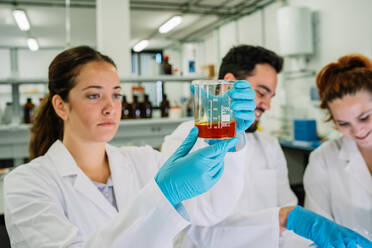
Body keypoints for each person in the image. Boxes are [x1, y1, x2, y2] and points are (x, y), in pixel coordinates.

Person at [3, 46, 257, 248]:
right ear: (61, 106)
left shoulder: (143, 160)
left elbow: (210, 213)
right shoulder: (26, 183)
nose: (110, 106)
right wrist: (162, 196)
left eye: (116, 94)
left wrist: (231, 141)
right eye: (94, 95)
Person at [161, 45, 372, 248]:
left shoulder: (269, 147)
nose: (267, 106)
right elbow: (195, 231)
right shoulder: (185, 141)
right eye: (261, 93)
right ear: (229, 83)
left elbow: (289, 221)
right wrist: (282, 219)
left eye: (270, 97)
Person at [304, 54, 372, 242]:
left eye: (365, 117)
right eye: (343, 123)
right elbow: (318, 230)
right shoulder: (323, 159)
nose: (357, 130)